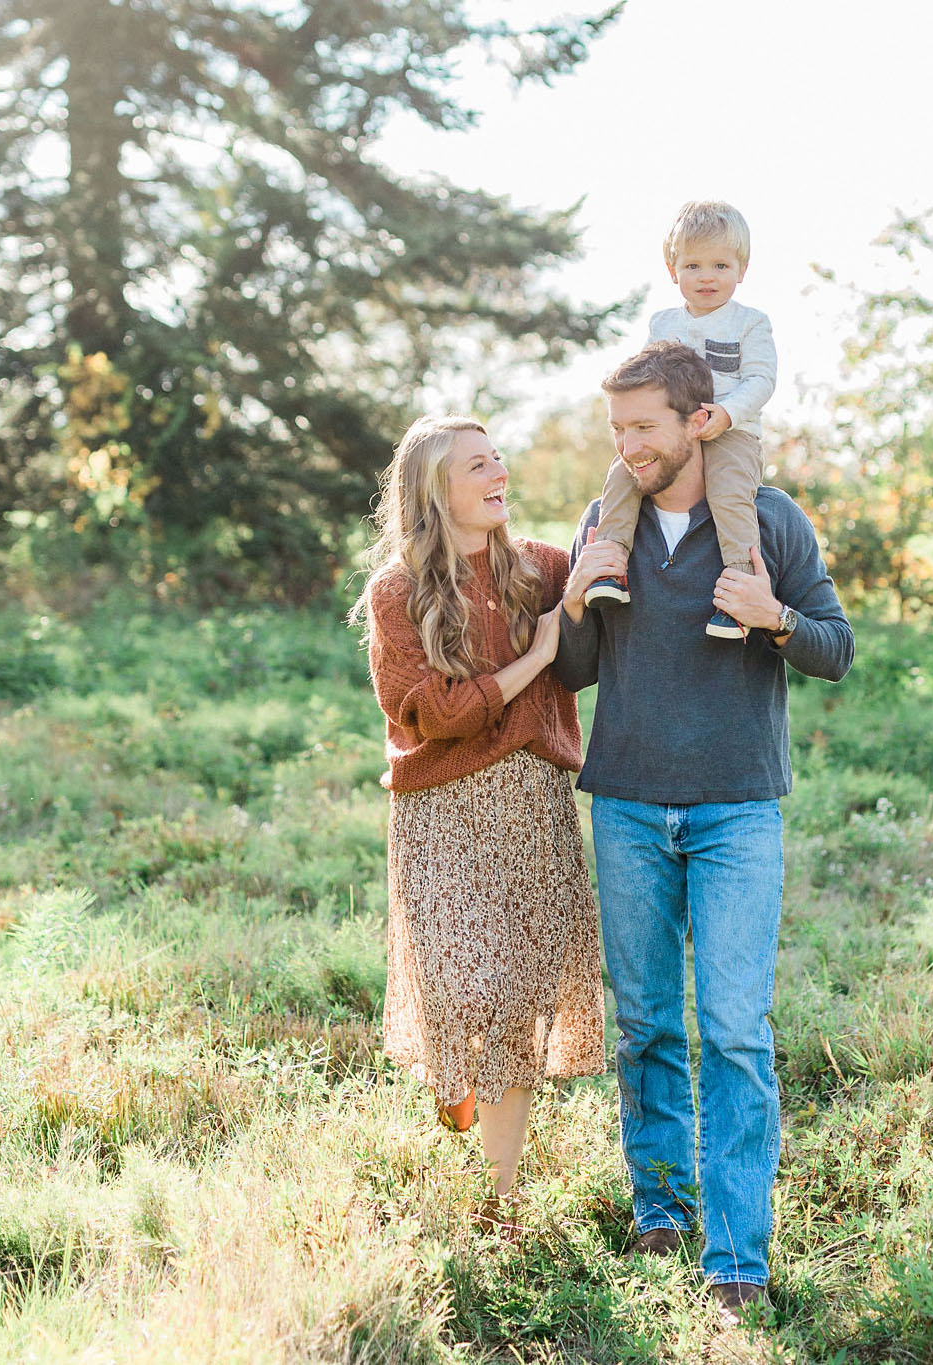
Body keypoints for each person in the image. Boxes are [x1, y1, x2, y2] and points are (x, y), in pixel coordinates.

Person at [554, 343, 854, 1323]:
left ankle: (736, 1255)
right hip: (629, 805)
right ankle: (662, 1210)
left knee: (732, 1032)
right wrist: (574, 599)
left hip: (737, 810)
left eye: (644, 427)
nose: (628, 446)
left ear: (700, 421)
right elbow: (573, 672)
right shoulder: (609, 519)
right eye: (618, 430)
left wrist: (772, 617)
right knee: (645, 1025)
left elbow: (836, 651)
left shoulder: (769, 522)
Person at [357, 414, 604, 1226]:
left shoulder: (540, 567)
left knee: (514, 996)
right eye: (476, 464)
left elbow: (615, 577)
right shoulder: (397, 592)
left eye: (498, 457)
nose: (498, 470)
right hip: (441, 807)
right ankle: (456, 1078)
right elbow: (434, 712)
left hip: (530, 801)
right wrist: (530, 660)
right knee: (463, 987)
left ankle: (499, 1199)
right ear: (436, 490)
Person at [584, 200, 776, 639]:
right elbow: (648, 380)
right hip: (672, 432)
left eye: (720, 265)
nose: (706, 276)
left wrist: (726, 414)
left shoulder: (750, 323)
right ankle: (610, 566)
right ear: (672, 270)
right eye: (692, 265)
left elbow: (762, 379)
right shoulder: (663, 322)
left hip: (732, 432)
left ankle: (740, 593)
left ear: (741, 269)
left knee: (729, 494)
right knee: (623, 474)